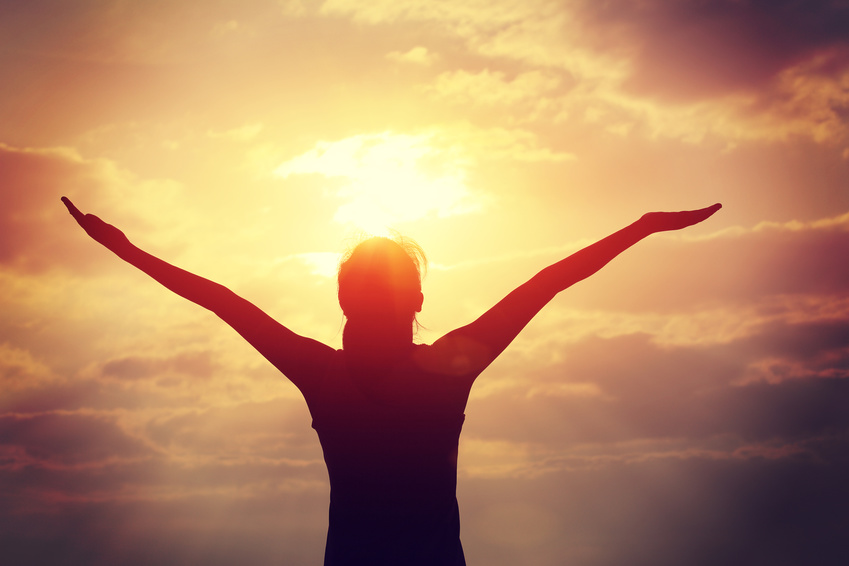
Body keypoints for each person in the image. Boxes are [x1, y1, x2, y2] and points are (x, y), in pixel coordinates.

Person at [62, 196, 721, 565]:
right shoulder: (431, 369)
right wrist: (638, 228)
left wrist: (126, 250)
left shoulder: (331, 371)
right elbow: (548, 281)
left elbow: (220, 300)